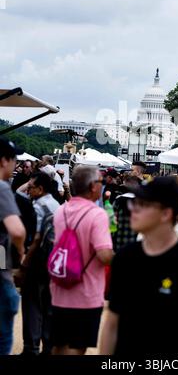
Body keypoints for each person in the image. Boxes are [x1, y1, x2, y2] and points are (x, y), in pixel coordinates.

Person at [99, 176, 178, 356]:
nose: (134, 210)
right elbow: (111, 325)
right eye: (135, 203)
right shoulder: (125, 259)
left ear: (166, 213)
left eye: (143, 204)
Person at [50, 165, 114, 355]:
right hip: (86, 294)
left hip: (59, 288)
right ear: (93, 186)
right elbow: (104, 255)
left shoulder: (61, 210)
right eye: (101, 182)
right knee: (77, 347)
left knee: (59, 345)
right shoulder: (98, 215)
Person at [16, 172, 60, 356]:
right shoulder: (55, 204)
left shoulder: (39, 206)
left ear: (40, 189)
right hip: (54, 260)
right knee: (49, 306)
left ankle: (31, 347)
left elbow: (36, 238)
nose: (28, 189)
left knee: (32, 303)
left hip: (38, 259)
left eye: (32, 187)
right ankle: (48, 347)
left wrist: (24, 264)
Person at [0, 137, 26, 355]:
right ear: (3, 161)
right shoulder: (1, 187)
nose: (15, 164)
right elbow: (16, 230)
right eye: (13, 159)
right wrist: (21, 251)